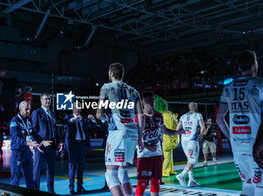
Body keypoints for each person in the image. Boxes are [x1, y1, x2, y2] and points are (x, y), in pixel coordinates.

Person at [217, 50, 263, 195]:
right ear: (254, 65)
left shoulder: (228, 87)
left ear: (238, 67)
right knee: (260, 188)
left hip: (238, 147)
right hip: (258, 146)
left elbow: (219, 118)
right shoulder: (260, 84)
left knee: (247, 187)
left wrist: (232, 139)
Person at [96, 62, 144, 196]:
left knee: (111, 175)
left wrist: (105, 118)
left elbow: (99, 114)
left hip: (118, 132)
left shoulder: (107, 87)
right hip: (132, 132)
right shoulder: (134, 90)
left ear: (111, 74)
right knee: (123, 172)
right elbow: (141, 116)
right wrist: (140, 138)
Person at [135, 92, 184, 196]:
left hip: (157, 153)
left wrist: (177, 132)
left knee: (156, 182)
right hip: (144, 154)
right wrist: (147, 146)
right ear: (143, 101)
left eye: (153, 99)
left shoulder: (159, 115)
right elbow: (133, 137)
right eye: (149, 99)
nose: (152, 102)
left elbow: (165, 130)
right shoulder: (138, 117)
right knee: (142, 184)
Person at [9, 101, 52, 189]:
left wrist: (42, 141)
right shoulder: (14, 121)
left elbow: (34, 134)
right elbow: (15, 138)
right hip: (18, 152)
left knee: (30, 178)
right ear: (20, 109)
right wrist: (28, 143)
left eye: (29, 108)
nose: (28, 111)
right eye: (26, 109)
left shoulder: (28, 120)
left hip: (27, 152)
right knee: (15, 178)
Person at [32, 92, 63, 194]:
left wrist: (58, 142)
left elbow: (54, 129)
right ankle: (35, 190)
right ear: (41, 100)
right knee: (37, 170)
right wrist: (41, 142)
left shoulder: (52, 113)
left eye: (49, 99)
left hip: (52, 145)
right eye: (45, 99)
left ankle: (51, 190)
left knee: (51, 169)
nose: (47, 101)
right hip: (41, 146)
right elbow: (33, 130)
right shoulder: (37, 112)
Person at [63, 103, 97, 194]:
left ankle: (80, 186)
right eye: (76, 108)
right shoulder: (68, 117)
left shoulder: (83, 118)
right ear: (73, 109)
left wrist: (92, 119)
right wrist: (73, 119)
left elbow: (93, 125)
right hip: (73, 146)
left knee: (81, 167)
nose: (78, 110)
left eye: (79, 108)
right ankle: (71, 188)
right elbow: (65, 122)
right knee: (72, 167)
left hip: (82, 145)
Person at [175, 102, 205, 187]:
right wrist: (201, 135)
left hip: (184, 140)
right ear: (195, 107)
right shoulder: (198, 115)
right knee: (193, 160)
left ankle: (191, 180)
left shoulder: (183, 116)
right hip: (192, 140)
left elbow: (177, 129)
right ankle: (182, 175)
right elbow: (202, 127)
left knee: (190, 160)